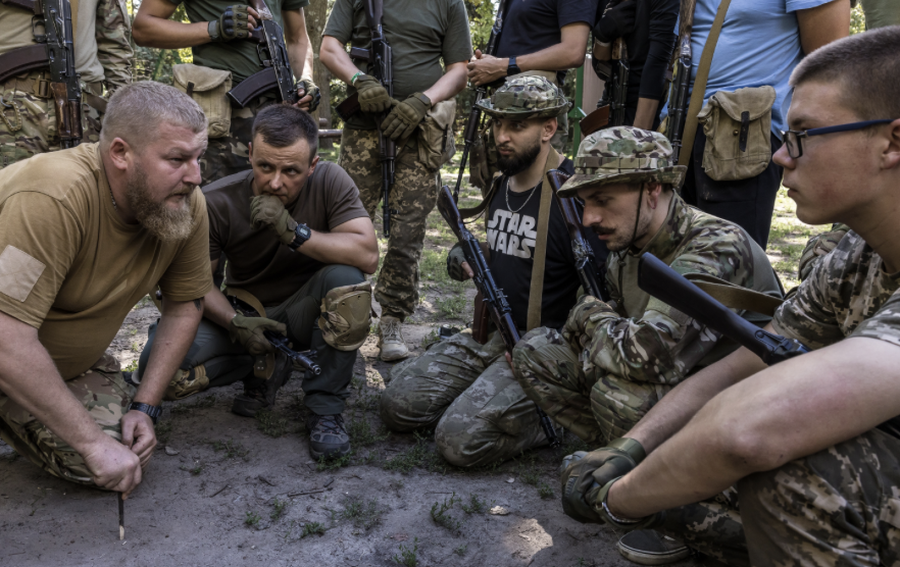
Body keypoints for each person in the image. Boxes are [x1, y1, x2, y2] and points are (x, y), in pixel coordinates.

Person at [551, 26, 900, 567]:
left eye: (803, 134)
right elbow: (751, 358)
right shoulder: (858, 257)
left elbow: (748, 431)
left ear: (892, 141)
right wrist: (633, 448)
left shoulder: (714, 242)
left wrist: (620, 500)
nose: (782, 156)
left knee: (797, 473)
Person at [511, 125, 781, 563]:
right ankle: (630, 463)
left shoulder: (712, 245)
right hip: (678, 391)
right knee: (537, 351)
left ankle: (701, 515)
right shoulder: (630, 243)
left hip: (744, 412)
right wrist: (602, 331)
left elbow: (644, 356)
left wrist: (593, 318)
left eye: (603, 201)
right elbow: (609, 336)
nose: (589, 218)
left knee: (620, 393)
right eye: (584, 204)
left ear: (652, 189)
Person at [380, 75, 607, 467]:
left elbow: (599, 294)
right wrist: (463, 254)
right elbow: (508, 249)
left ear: (548, 129)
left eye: (516, 125)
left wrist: (547, 354)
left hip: (545, 354)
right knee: (396, 405)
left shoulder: (574, 198)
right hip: (491, 338)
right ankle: (482, 395)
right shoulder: (502, 185)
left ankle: (555, 416)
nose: (502, 135)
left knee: (457, 442)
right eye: (498, 123)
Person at [0, 81, 212, 496]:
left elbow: (185, 306)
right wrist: (92, 443)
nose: (195, 175)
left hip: (55, 365)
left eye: (198, 157)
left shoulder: (183, 202)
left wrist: (145, 408)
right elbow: (5, 337)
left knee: (124, 454)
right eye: (177, 159)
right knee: (98, 452)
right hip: (10, 349)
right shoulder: (52, 197)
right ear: (120, 153)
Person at [138, 104, 379, 459]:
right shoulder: (216, 201)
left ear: (312, 166)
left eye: (291, 171)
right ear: (250, 154)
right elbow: (197, 283)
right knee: (162, 374)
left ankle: (325, 409)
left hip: (305, 309)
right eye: (265, 166)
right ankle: (263, 364)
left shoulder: (330, 180)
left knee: (348, 282)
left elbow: (367, 255)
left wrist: (293, 232)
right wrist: (235, 322)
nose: (275, 181)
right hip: (247, 310)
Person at [320, 0, 471, 362]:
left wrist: (423, 99)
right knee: (344, 226)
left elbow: (459, 70)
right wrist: (359, 79)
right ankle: (338, 314)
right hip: (363, 131)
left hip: (420, 132)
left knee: (408, 233)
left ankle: (392, 319)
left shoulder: (449, 3)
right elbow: (329, 47)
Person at [675, 0, 849, 248]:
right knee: (672, 273)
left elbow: (830, 66)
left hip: (739, 137)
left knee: (729, 268)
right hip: (676, 132)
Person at [132, 0, 318, 185]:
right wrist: (214, 29)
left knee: (274, 204)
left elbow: (298, 38)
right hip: (219, 116)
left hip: (278, 113)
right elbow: (143, 28)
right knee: (211, 203)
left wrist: (305, 78)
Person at [0, 0, 133, 167]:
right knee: (11, 191)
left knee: (80, 190)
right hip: (13, 108)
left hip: (83, 110)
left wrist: (123, 116)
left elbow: (114, 46)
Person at [465, 0, 596, 153]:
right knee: (501, 176)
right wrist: (487, 64)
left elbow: (573, 52)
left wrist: (503, 66)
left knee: (537, 176)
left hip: (535, 110)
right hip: (501, 107)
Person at [589, 0, 679, 130]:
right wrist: (603, 33)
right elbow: (601, 65)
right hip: (612, 99)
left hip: (648, 108)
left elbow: (658, 63)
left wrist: (638, 135)